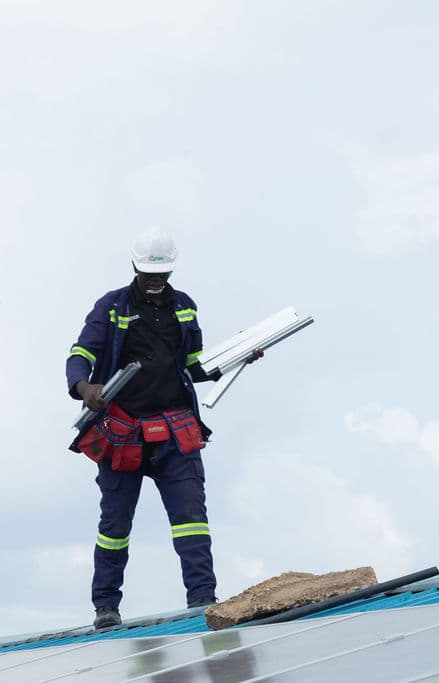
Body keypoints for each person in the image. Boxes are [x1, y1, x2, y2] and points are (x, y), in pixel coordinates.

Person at [66, 227, 261, 630]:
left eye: (163, 273)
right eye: (149, 272)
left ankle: (203, 598)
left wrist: (240, 357)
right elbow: (80, 354)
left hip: (175, 432)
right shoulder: (112, 306)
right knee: (115, 527)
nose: (156, 280)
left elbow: (195, 365)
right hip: (124, 435)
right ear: (134, 266)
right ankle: (106, 607)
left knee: (192, 519)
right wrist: (86, 388)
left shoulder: (185, 307)